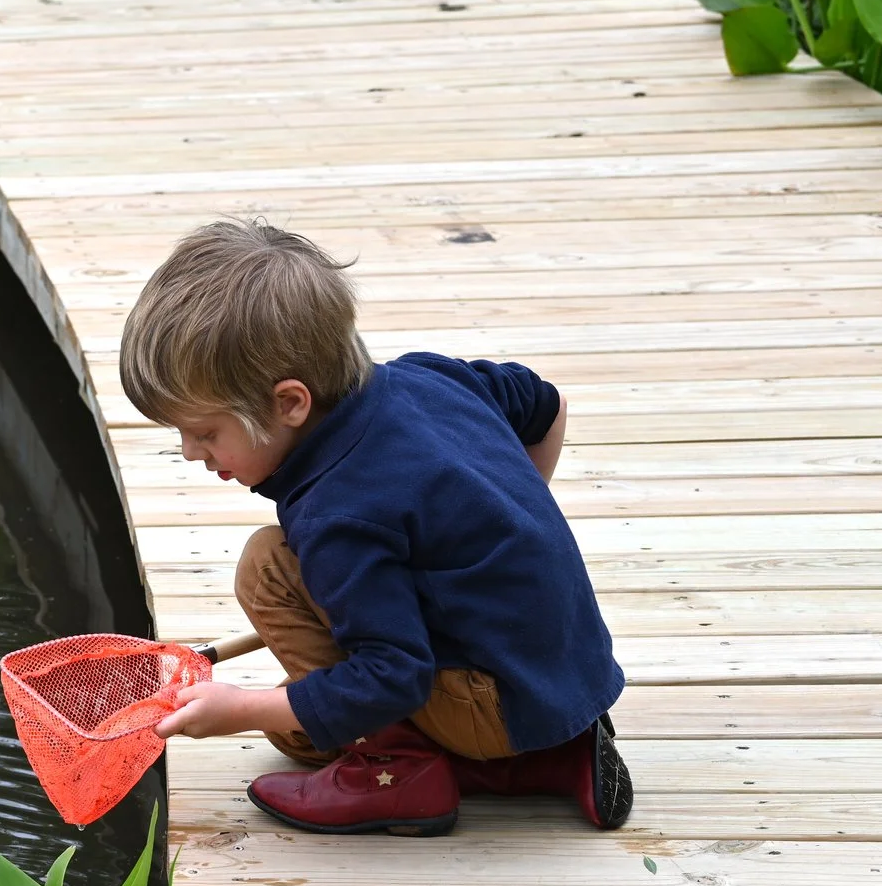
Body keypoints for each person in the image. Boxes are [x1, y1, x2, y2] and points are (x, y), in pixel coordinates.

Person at [125, 219, 631, 835]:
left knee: (269, 573)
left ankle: (397, 772)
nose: (189, 452)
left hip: (493, 702)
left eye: (206, 433)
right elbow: (545, 403)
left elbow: (393, 675)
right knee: (306, 718)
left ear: (290, 404)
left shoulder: (340, 513)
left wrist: (243, 710)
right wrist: (509, 517)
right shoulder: (431, 377)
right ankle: (547, 754)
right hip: (569, 666)